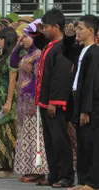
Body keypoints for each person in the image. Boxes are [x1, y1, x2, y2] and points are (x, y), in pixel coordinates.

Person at [34, 9, 74, 187]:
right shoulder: (49, 45)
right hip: (44, 101)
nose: (44, 31)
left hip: (54, 103)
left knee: (60, 140)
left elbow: (60, 77)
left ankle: (66, 176)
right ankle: (54, 174)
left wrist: (54, 102)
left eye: (47, 27)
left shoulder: (63, 47)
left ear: (56, 27)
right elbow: (35, 36)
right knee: (50, 141)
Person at [10, 21, 48, 183]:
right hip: (23, 101)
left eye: (26, 36)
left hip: (33, 101)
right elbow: (12, 63)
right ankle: (28, 168)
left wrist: (31, 97)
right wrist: (17, 47)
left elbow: (38, 78)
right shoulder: (26, 55)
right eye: (22, 36)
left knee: (35, 136)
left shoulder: (38, 54)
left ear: (34, 37)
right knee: (26, 134)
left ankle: (37, 170)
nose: (23, 39)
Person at [67, 15, 99, 190]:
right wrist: (70, 36)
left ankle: (93, 183)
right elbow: (66, 50)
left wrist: (86, 110)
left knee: (91, 144)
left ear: (91, 31)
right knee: (82, 145)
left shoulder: (94, 52)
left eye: (80, 29)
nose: (77, 31)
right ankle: (83, 181)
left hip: (90, 107)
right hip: (77, 101)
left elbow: (91, 84)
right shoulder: (81, 50)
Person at [0, 27, 18, 179]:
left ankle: (8, 166)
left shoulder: (12, 57)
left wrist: (8, 101)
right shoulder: (2, 56)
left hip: (8, 96)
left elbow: (13, 80)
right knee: (0, 130)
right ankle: (2, 163)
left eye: (1, 39)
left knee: (8, 131)